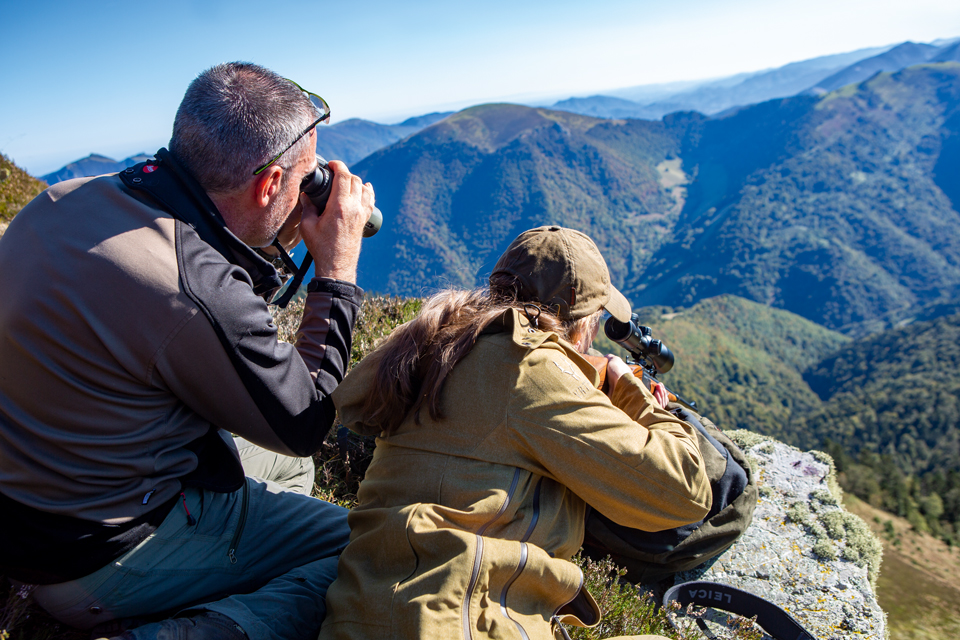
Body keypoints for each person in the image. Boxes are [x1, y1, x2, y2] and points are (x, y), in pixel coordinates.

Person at [0, 62, 375, 640]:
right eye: (306, 178)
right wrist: (336, 270)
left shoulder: (64, 200)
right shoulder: (190, 283)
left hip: (31, 507)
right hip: (97, 555)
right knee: (361, 553)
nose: (315, 188)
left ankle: (229, 566)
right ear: (270, 184)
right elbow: (304, 420)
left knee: (288, 466)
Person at [320, 226, 712, 640]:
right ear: (579, 318)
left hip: (357, 617)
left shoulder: (434, 343)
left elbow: (354, 407)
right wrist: (632, 394)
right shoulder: (531, 368)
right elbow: (686, 493)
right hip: (454, 625)